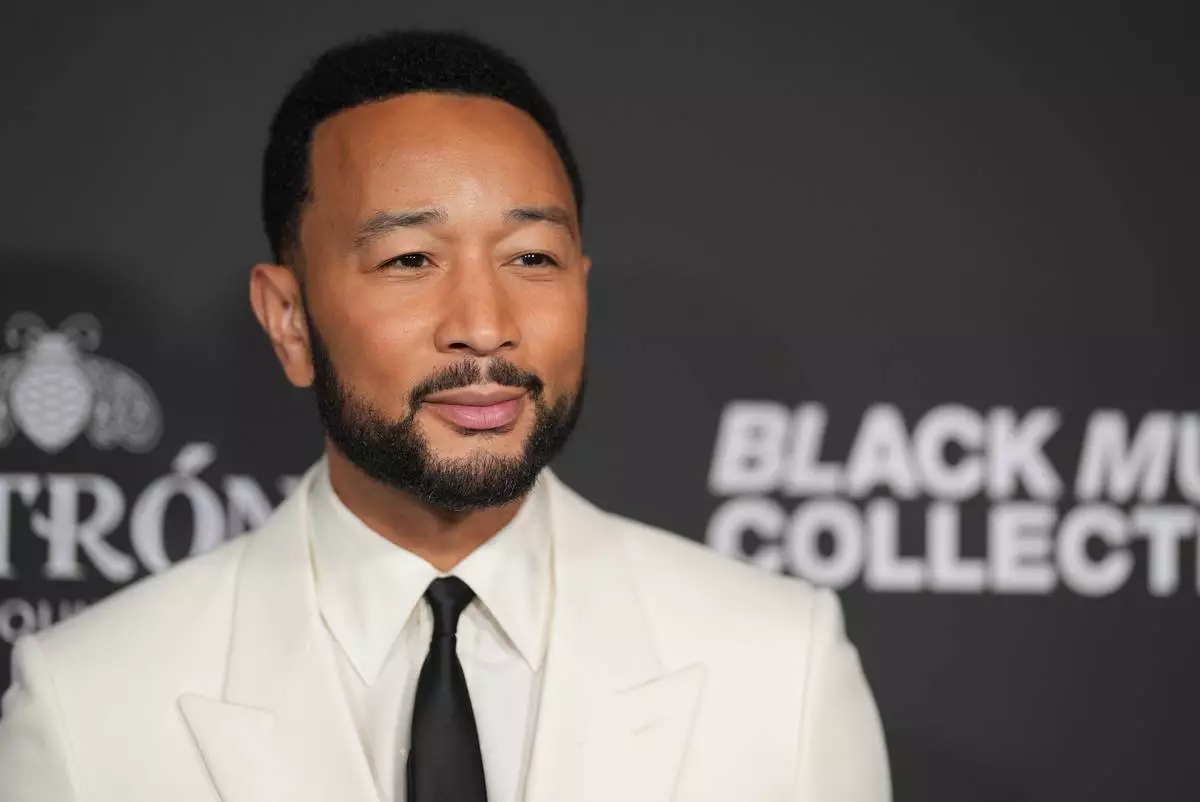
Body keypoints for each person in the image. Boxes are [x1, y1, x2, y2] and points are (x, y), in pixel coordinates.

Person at [0, 29, 890, 802]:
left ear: (583, 284)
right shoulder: (89, 700)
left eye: (532, 257)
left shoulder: (782, 667)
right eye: (410, 259)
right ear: (289, 319)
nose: (484, 326)